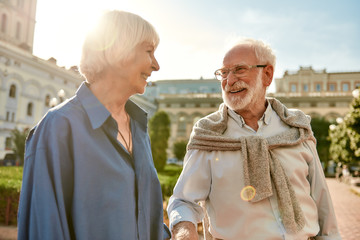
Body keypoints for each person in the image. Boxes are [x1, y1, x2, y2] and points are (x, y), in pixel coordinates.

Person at [167, 38, 341, 240]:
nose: (229, 81)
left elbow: (321, 199)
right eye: (224, 72)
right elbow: (183, 201)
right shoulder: (208, 133)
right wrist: (184, 232)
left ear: (267, 75)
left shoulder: (297, 127)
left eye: (239, 70)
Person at [18, 10, 171, 240]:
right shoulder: (60, 127)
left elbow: (146, 219)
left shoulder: (139, 129)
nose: (156, 65)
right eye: (149, 52)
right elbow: (45, 230)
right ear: (117, 51)